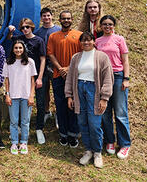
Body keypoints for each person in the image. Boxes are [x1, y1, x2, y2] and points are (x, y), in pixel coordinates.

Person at [65, 32, 113, 168]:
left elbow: (108, 78)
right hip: (79, 89)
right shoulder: (76, 57)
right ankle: (88, 150)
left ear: (93, 41)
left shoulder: (102, 57)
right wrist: (69, 95)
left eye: (89, 40)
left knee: (94, 123)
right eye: (83, 41)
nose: (86, 43)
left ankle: (97, 152)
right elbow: (70, 78)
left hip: (94, 90)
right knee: (82, 122)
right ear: (80, 43)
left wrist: (104, 98)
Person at [96, 15, 131, 159]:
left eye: (110, 24)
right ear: (101, 26)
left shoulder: (119, 39)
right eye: (104, 24)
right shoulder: (97, 41)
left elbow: (125, 60)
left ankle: (125, 144)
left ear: (114, 26)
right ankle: (109, 140)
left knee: (120, 112)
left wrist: (126, 78)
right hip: (103, 77)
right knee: (105, 112)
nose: (107, 26)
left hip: (117, 76)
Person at [8, 18, 46, 144]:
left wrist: (39, 77)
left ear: (32, 27)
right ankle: (17, 132)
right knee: (19, 108)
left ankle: (39, 129)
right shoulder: (19, 39)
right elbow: (10, 40)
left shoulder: (38, 40)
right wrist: (10, 31)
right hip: (20, 80)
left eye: (27, 27)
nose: (25, 29)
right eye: (23, 27)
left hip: (35, 77)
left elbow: (43, 59)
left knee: (39, 103)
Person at [47, 11, 82, 147]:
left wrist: (69, 68)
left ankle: (73, 134)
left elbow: (82, 54)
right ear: (59, 20)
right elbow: (51, 54)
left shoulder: (79, 35)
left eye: (68, 18)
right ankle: (63, 134)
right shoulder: (53, 36)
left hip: (75, 76)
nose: (66, 20)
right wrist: (61, 68)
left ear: (72, 19)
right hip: (58, 76)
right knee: (60, 105)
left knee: (73, 106)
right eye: (64, 18)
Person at [3, 40, 37, 155]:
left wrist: (31, 95)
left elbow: (33, 81)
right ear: (13, 49)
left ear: (24, 49)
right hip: (13, 96)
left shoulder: (30, 62)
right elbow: (6, 80)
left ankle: (23, 142)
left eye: (20, 48)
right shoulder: (8, 62)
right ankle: (14, 142)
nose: (18, 50)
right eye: (16, 48)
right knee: (13, 121)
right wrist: (7, 95)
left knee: (25, 121)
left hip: (26, 96)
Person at [34, 7, 61, 127]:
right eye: (44, 16)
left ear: (52, 16)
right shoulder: (38, 33)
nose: (46, 18)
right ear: (41, 18)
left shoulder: (58, 30)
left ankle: (58, 114)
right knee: (44, 91)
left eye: (48, 15)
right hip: (42, 66)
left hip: (56, 65)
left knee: (58, 91)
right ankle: (46, 111)